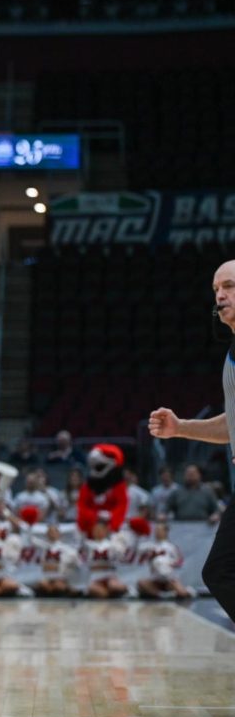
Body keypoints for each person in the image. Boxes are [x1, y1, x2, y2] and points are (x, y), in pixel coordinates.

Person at [149, 260, 235, 624]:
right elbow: (232, 424)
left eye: (229, 286)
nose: (220, 295)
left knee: (221, 571)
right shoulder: (232, 353)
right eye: (216, 288)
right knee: (220, 572)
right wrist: (181, 427)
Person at [136, 521, 194, 600]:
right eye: (156, 530)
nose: (157, 532)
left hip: (169, 579)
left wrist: (168, 564)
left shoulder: (172, 547)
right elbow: (141, 560)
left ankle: (187, 590)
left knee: (182, 593)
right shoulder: (150, 546)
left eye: (160, 530)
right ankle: (161, 595)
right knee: (141, 584)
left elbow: (180, 562)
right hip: (156, 579)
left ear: (165, 532)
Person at [30, 523, 82, 597]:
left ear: (59, 534)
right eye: (50, 532)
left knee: (58, 587)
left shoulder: (67, 549)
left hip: (60, 578)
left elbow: (78, 565)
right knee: (42, 585)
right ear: (46, 534)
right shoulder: (42, 547)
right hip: (46, 578)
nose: (52, 534)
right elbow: (30, 539)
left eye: (54, 532)